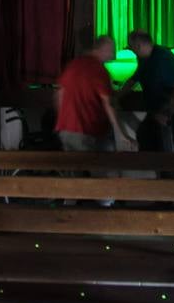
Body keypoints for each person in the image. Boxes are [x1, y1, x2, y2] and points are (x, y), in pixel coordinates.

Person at [55, 34, 135, 205]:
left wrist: (61, 119)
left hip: (67, 130)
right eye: (112, 49)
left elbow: (60, 93)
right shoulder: (98, 70)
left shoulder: (74, 64)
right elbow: (108, 104)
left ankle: (70, 215)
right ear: (103, 49)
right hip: (86, 131)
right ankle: (104, 212)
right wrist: (120, 133)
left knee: (73, 177)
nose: (114, 53)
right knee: (101, 173)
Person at [119, 29, 174, 153]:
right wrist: (119, 94)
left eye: (132, 48)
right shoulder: (144, 58)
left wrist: (167, 114)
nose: (132, 51)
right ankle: (159, 168)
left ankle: (172, 170)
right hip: (159, 107)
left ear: (138, 46)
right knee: (145, 135)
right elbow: (136, 77)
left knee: (172, 147)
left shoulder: (163, 60)